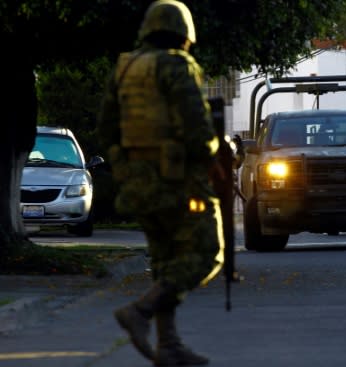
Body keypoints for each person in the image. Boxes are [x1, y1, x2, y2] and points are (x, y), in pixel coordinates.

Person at [97, 1, 224, 365]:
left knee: (167, 260)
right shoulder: (176, 65)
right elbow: (197, 129)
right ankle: (141, 310)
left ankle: (168, 344)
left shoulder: (125, 68)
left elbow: (107, 129)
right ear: (183, 33)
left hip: (137, 183)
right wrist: (215, 154)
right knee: (205, 253)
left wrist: (125, 169)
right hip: (176, 181)